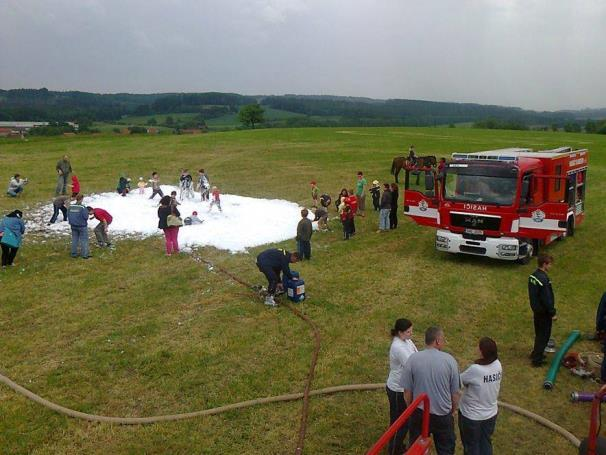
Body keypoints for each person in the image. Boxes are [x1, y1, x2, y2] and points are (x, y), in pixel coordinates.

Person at [403, 326, 460, 455]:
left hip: (419, 413)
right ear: (438, 341)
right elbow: (455, 393)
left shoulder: (413, 359)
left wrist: (411, 408)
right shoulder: (450, 361)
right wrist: (453, 410)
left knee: (417, 447)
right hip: (443, 414)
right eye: (443, 339)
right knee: (446, 448)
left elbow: (407, 391)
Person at [459, 337, 502, 455]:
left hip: (472, 416)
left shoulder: (476, 370)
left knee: (471, 446)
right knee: (485, 443)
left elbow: (459, 381)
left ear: (483, 352)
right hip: (490, 414)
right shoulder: (498, 365)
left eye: (479, 347)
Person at [386, 319, 418, 455]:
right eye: (408, 332)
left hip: (404, 387)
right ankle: (393, 450)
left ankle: (397, 446)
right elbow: (412, 365)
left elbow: (416, 354)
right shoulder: (398, 347)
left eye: (411, 330)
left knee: (404, 421)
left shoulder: (407, 341)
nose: (411, 334)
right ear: (400, 333)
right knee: (399, 422)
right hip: (398, 390)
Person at [529, 254, 556, 367]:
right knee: (544, 335)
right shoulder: (544, 279)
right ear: (544, 264)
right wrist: (552, 312)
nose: (551, 266)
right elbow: (547, 298)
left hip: (536, 311)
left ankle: (535, 353)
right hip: (544, 313)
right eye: (550, 264)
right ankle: (537, 360)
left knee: (538, 333)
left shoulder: (533, 276)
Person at [67, 194, 89, 259]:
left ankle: (74, 253)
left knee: (74, 239)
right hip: (82, 226)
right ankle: (84, 254)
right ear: (82, 199)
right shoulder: (82, 207)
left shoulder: (71, 206)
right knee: (84, 240)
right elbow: (86, 216)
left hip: (73, 225)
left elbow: (68, 214)